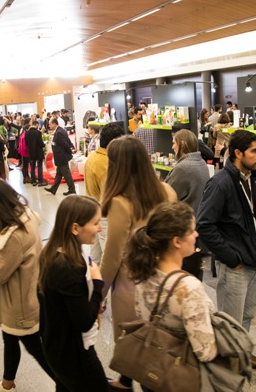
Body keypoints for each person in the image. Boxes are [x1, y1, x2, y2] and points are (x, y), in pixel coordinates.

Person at [99, 135, 177, 391]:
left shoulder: (121, 203)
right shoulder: (167, 191)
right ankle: (127, 380)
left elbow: (113, 255)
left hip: (131, 284)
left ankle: (133, 380)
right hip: (165, 278)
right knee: (157, 340)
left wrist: (98, 293)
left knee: (134, 338)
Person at [196, 129, 256, 370]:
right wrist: (230, 258)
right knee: (230, 319)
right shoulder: (220, 183)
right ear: (238, 153)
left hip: (253, 259)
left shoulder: (247, 177)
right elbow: (204, 225)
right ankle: (227, 364)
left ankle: (241, 353)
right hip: (236, 264)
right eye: (255, 151)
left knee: (246, 315)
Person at [126, 202, 217, 385]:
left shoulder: (144, 271)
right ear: (177, 241)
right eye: (192, 231)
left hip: (152, 369)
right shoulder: (188, 288)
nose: (197, 235)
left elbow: (140, 313)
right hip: (179, 375)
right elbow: (204, 351)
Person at [0, 179, 55, 392]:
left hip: (20, 302)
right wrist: (0, 228)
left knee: (36, 349)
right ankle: (7, 383)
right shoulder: (25, 215)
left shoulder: (13, 237)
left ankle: (67, 384)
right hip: (28, 291)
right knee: (10, 339)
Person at [38, 195, 109, 392]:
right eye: (95, 223)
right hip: (73, 354)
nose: (100, 228)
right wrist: (97, 285)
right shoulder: (67, 267)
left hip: (56, 346)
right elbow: (84, 321)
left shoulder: (52, 253)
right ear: (75, 228)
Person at [165, 129, 210, 280]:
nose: (172, 147)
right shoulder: (201, 163)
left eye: (174, 143)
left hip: (182, 227)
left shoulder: (183, 168)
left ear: (182, 144)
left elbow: (167, 196)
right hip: (195, 225)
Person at [84, 123, 125, 265]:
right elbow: (112, 194)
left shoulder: (92, 156)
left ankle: (92, 281)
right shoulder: (106, 163)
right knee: (109, 253)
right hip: (105, 213)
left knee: (95, 254)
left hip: (92, 209)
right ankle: (104, 285)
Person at [44, 118, 76, 196]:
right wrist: (71, 147)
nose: (49, 125)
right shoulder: (61, 130)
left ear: (55, 124)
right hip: (60, 156)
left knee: (66, 174)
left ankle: (72, 189)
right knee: (58, 174)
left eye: (50, 124)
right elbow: (68, 141)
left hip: (61, 156)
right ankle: (53, 189)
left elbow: (65, 144)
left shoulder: (59, 133)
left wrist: (70, 150)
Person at [25, 120, 47, 187]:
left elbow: (26, 143)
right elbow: (41, 143)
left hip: (31, 152)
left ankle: (33, 180)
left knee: (32, 167)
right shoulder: (38, 133)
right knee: (39, 166)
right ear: (36, 125)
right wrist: (44, 144)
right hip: (38, 152)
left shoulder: (27, 133)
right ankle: (40, 180)